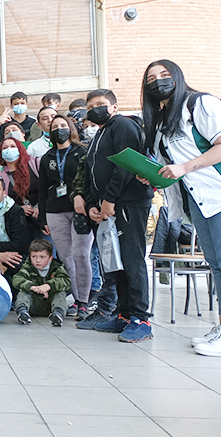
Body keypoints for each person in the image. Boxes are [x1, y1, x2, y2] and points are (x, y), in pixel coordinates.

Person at [142, 60, 221, 355]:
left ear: (178, 77)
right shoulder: (161, 120)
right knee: (216, 263)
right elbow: (167, 166)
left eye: (164, 75)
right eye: (151, 78)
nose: (158, 81)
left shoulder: (200, 104)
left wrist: (185, 167)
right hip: (198, 198)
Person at [75, 88, 154, 343]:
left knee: (132, 260)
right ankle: (123, 314)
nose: (95, 109)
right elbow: (90, 173)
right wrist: (91, 204)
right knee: (115, 264)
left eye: (100, 104)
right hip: (105, 209)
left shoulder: (123, 126)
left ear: (114, 107)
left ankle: (140, 318)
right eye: (90, 107)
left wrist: (109, 199)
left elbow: (126, 164)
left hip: (128, 204)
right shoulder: (99, 134)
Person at [38, 115, 92, 320]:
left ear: (70, 129)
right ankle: (78, 301)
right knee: (66, 258)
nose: (59, 129)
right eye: (55, 127)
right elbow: (43, 189)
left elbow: (89, 181)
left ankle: (85, 301)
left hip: (80, 210)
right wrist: (42, 218)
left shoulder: (82, 152)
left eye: (63, 126)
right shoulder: (47, 157)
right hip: (54, 211)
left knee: (81, 255)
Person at [13, 239, 70, 326]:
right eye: (34, 256)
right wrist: (31, 286)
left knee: (60, 292)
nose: (38, 260)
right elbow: (17, 279)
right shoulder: (28, 267)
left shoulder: (56, 267)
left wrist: (49, 285)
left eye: (42, 257)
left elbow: (66, 280)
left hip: (50, 305)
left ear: (50, 258)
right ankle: (23, 312)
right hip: (33, 304)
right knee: (23, 291)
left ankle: (58, 314)